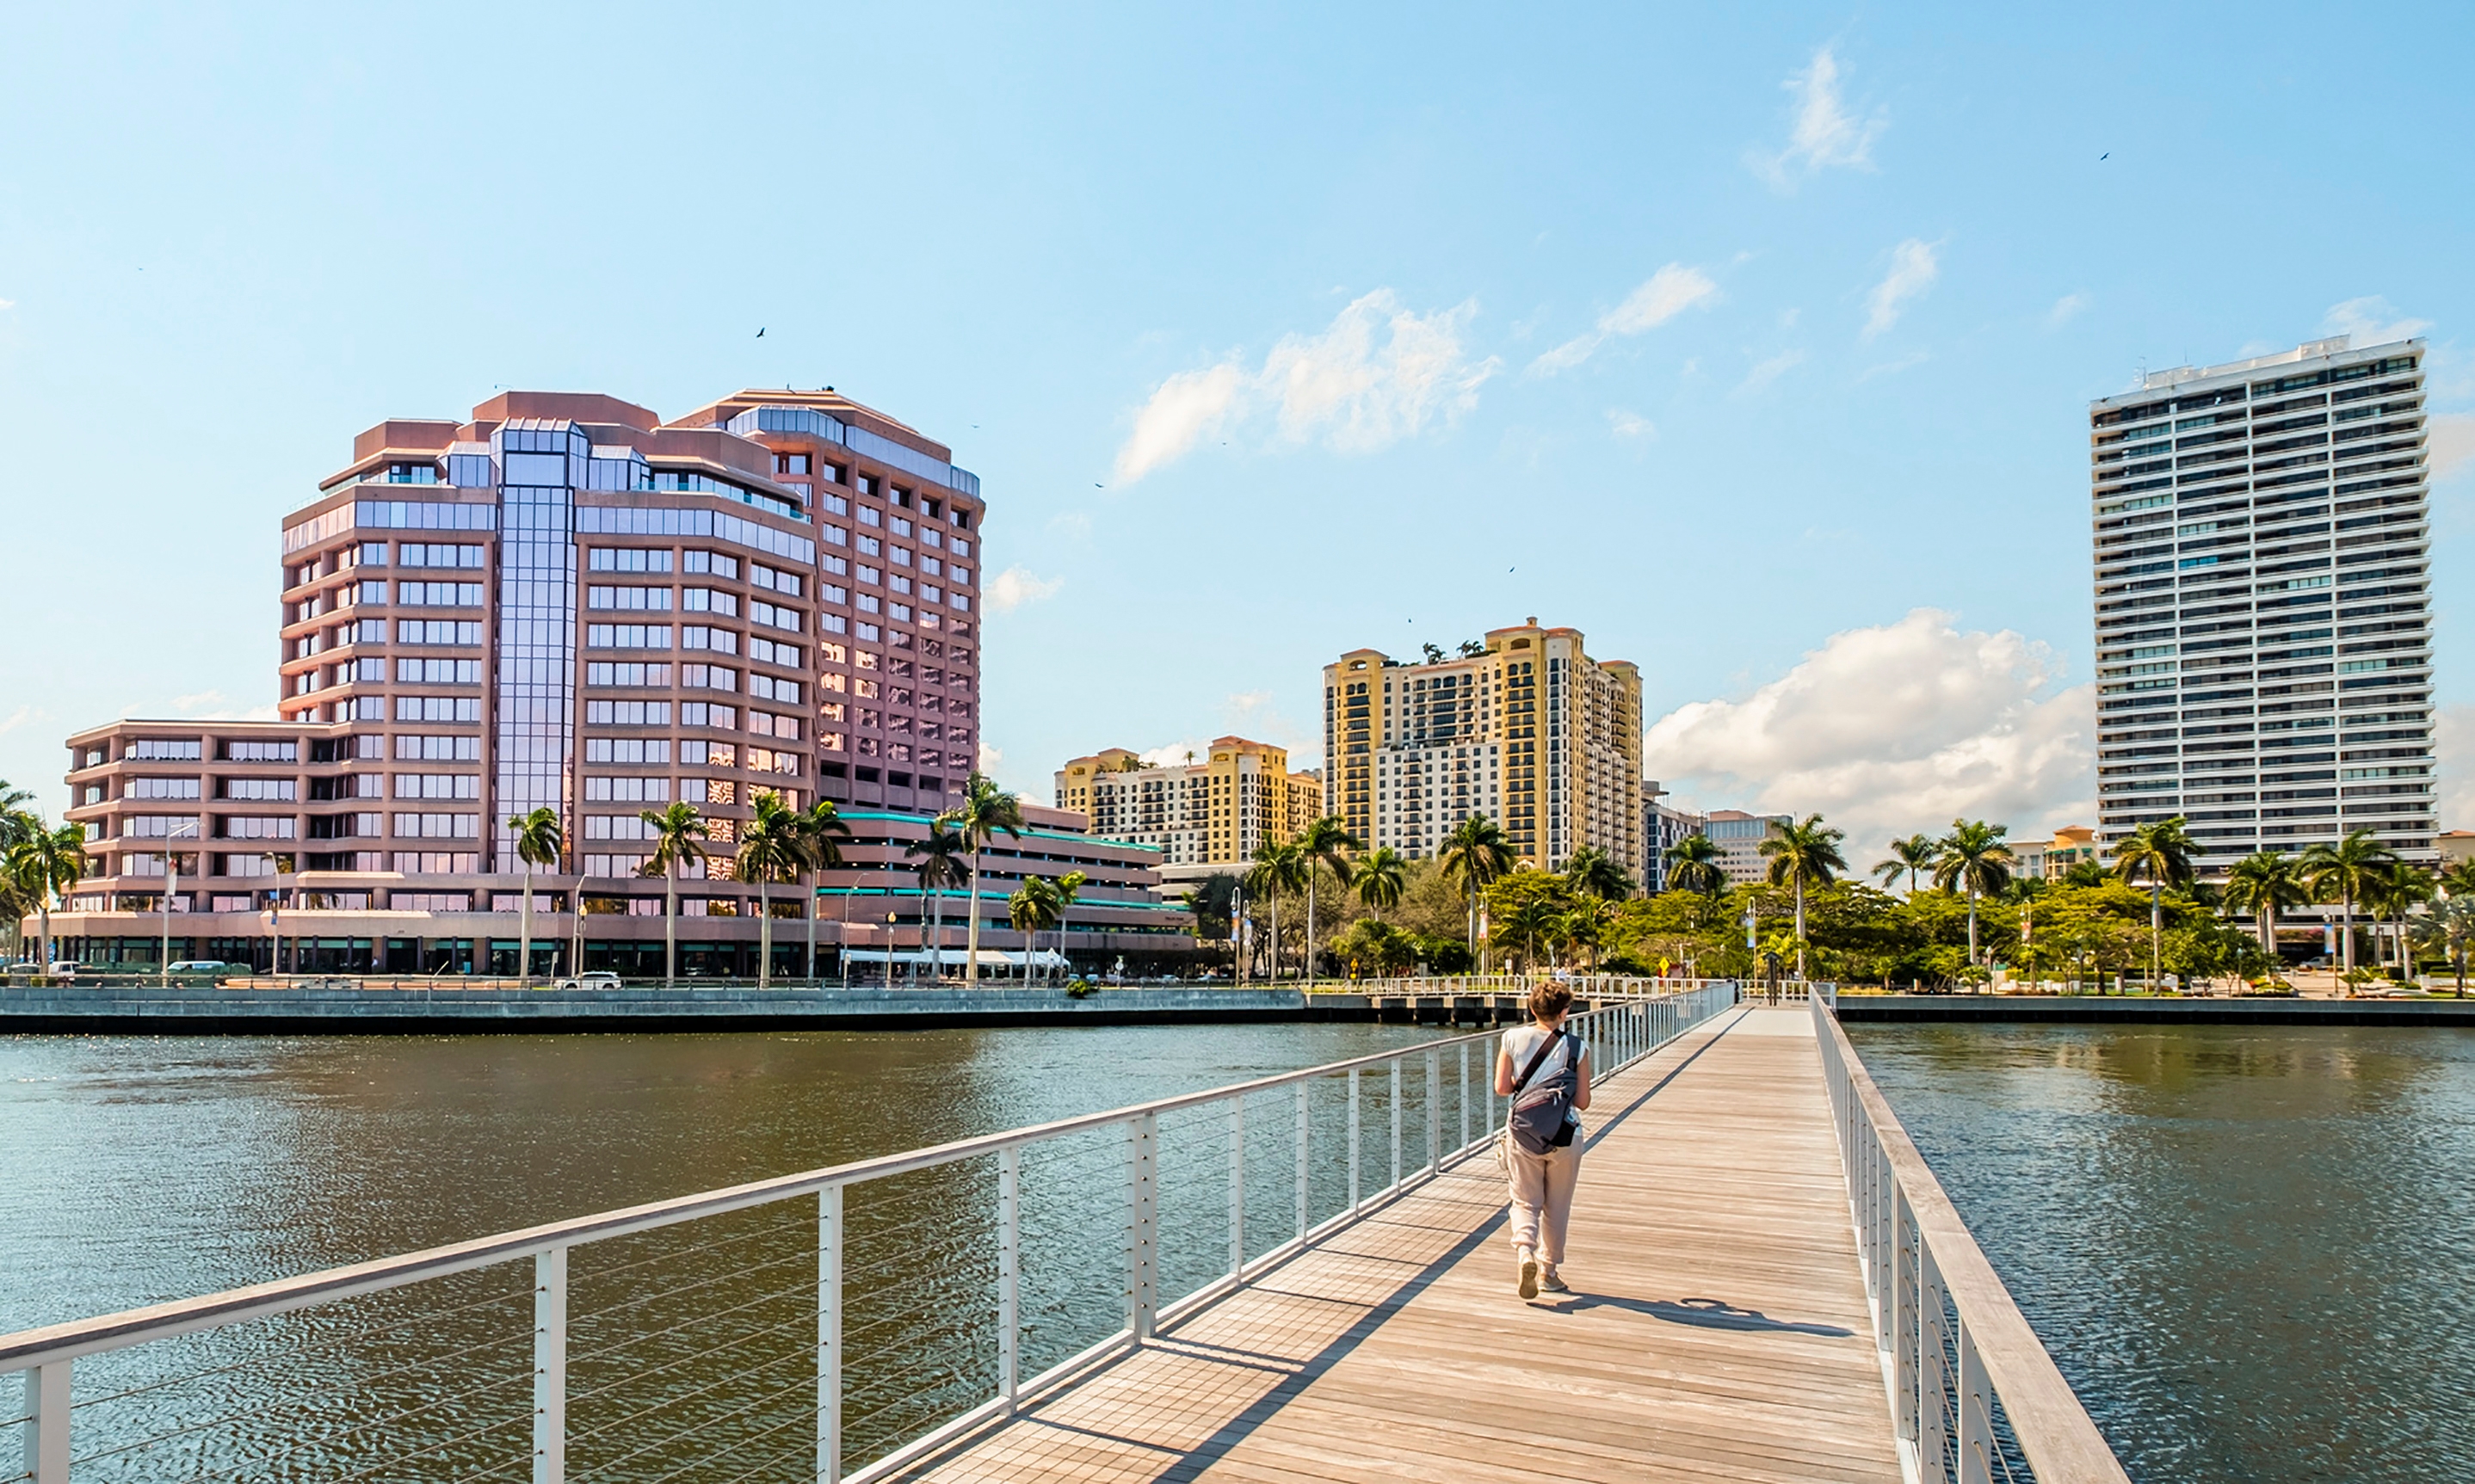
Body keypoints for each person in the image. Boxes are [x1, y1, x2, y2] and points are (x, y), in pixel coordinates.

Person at [1496, 981, 1590, 1298]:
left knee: (1525, 1200)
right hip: (1564, 1135)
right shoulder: (1577, 1047)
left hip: (1523, 1134)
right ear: (1565, 1013)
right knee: (1557, 1206)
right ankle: (1548, 1271)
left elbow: (1502, 1088)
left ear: (1532, 1009)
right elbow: (1582, 1101)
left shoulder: (1511, 1038)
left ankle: (1525, 1252)